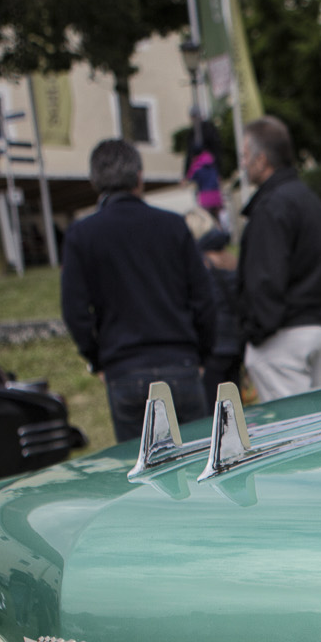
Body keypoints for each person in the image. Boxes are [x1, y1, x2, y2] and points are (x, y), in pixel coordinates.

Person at [60, 138, 217, 441]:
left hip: (124, 367)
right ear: (139, 176)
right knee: (197, 463)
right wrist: (202, 352)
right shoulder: (173, 227)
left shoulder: (83, 235)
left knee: (141, 470)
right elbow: (204, 297)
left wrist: (96, 357)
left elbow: (75, 310)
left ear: (95, 181)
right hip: (180, 361)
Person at [234, 116, 321, 403]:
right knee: (312, 425)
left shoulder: (271, 207)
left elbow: (264, 279)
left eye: (245, 156)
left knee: (295, 435)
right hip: (315, 326)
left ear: (262, 159)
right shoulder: (309, 200)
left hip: (282, 338)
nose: (243, 164)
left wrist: (255, 334)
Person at [196, 226, 243, 405]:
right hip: (236, 345)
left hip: (215, 347)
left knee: (213, 405)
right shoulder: (234, 266)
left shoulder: (207, 269)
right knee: (234, 402)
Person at [184, 118, 228, 228]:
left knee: (206, 220)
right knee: (217, 216)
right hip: (215, 193)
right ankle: (222, 233)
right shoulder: (212, 162)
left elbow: (191, 178)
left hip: (204, 195)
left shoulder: (197, 167)